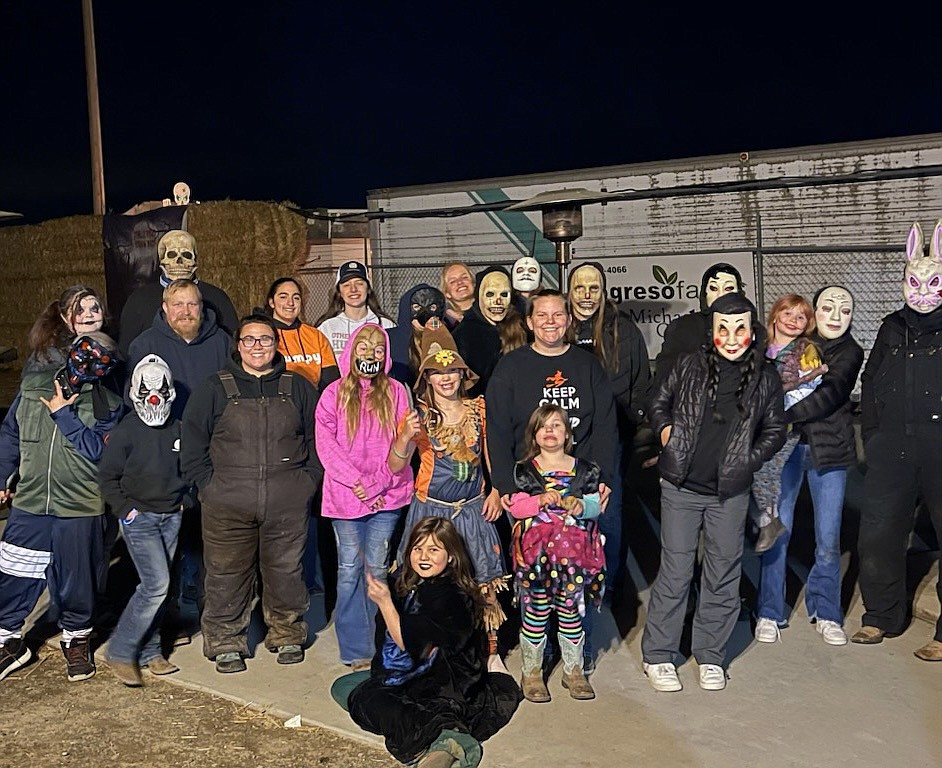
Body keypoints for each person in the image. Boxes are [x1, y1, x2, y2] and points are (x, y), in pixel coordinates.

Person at [641, 293, 785, 692]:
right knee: (676, 571)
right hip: (680, 487)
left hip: (730, 492)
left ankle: (710, 655)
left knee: (723, 572)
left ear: (752, 330)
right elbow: (657, 401)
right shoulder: (689, 365)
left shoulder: (766, 377)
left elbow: (776, 429)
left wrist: (748, 460)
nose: (732, 336)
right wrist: (667, 432)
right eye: (723, 328)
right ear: (713, 330)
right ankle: (659, 655)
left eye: (740, 328)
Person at [181, 313, 323, 673]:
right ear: (238, 346)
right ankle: (226, 641)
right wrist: (208, 486)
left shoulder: (297, 386)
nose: (257, 346)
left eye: (265, 339)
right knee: (226, 573)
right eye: (250, 340)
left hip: (286, 499)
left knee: (286, 571)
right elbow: (194, 443)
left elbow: (317, 440)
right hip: (227, 501)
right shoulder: (214, 387)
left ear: (277, 345)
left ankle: (287, 633)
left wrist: (307, 482)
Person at [334, 517, 521, 768]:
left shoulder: (453, 595)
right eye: (418, 548)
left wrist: (385, 604)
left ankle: (447, 740)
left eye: (434, 550)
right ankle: (438, 736)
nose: (424, 556)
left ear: (451, 556)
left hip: (443, 684)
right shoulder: (405, 581)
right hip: (406, 676)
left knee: (377, 702)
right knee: (345, 687)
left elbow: (409, 644)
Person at [0, 318, 123, 683]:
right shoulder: (32, 386)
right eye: (85, 355)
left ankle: (77, 638)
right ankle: (7, 640)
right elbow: (11, 433)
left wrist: (64, 415)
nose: (89, 365)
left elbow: (103, 456)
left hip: (80, 506)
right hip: (31, 502)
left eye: (99, 360)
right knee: (13, 573)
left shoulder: (109, 402)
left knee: (77, 578)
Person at [389, 322, 508, 658]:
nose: (446, 378)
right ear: (427, 378)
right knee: (428, 584)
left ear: (461, 374)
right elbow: (396, 466)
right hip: (431, 512)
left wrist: (497, 491)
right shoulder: (418, 417)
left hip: (473, 509)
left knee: (485, 583)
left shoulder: (479, 410)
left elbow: (490, 456)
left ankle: (491, 653)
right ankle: (429, 650)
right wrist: (403, 438)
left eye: (452, 371)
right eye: (437, 372)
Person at [754, 287, 863, 648]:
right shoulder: (796, 344)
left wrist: (781, 416)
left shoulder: (850, 352)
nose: (836, 315)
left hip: (829, 452)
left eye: (844, 310)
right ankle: (770, 611)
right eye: (828, 308)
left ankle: (827, 612)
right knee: (776, 531)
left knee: (828, 539)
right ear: (815, 313)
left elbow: (830, 394)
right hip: (783, 452)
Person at [854, 220, 942, 661]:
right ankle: (880, 616)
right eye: (914, 280)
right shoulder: (892, 327)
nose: (922, 290)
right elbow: (871, 383)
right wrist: (874, 435)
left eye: (933, 281)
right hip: (893, 447)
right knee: (879, 533)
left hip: (939, 445)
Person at [315, 322, 414, 669]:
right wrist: (356, 481)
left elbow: (406, 441)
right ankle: (356, 648)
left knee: (376, 569)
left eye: (377, 348)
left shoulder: (398, 391)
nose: (370, 353)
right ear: (351, 349)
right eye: (363, 346)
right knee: (348, 570)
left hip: (388, 496)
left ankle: (380, 639)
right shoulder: (334, 393)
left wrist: (376, 484)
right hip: (345, 499)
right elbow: (326, 445)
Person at [99, 354, 191, 685]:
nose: (154, 398)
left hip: (170, 517)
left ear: (170, 394)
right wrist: (126, 510)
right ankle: (121, 651)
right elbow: (107, 477)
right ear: (136, 393)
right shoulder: (126, 432)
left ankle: (151, 651)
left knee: (159, 588)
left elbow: (190, 471)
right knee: (156, 585)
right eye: (147, 391)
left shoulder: (179, 430)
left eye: (160, 390)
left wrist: (184, 501)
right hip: (140, 518)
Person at [504, 404, 604, 702]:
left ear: (568, 433)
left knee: (571, 612)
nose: (550, 431)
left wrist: (581, 506)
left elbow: (596, 506)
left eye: (557, 425)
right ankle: (532, 672)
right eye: (544, 426)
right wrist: (537, 502)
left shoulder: (585, 470)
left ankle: (574, 670)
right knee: (535, 612)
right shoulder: (525, 471)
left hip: (573, 560)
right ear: (534, 435)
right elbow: (517, 507)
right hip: (536, 560)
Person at [568, 261, 651, 597]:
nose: (587, 295)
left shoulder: (623, 329)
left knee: (608, 511)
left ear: (603, 292)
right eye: (579, 287)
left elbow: (640, 381)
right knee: (568, 508)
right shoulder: (560, 324)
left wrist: (629, 422)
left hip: (610, 436)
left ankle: (610, 582)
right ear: (569, 291)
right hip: (565, 440)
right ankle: (572, 576)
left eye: (594, 288)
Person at [486, 289, 617, 501]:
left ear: (569, 320)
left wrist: (603, 477)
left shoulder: (588, 365)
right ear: (529, 322)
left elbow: (605, 426)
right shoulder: (510, 367)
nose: (550, 322)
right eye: (542, 315)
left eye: (558, 315)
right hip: (528, 487)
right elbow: (498, 431)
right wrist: (505, 485)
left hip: (581, 486)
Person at [749, 294, 827, 553]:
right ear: (775, 315)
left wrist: (781, 407)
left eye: (801, 317)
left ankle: (767, 523)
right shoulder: (756, 346)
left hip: (783, 425)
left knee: (765, 469)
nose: (794, 321)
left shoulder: (806, 351)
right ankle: (763, 520)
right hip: (751, 422)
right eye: (788, 314)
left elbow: (810, 387)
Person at [118, 229, 238, 357]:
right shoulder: (139, 300)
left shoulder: (217, 298)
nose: (179, 261)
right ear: (162, 260)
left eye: (186, 255)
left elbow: (234, 347)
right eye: (172, 255)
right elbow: (126, 352)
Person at [127, 279, 231, 418]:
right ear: (165, 307)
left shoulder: (222, 341)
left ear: (201, 306)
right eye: (178, 304)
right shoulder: (144, 345)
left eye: (192, 304)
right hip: (166, 429)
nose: (186, 311)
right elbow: (132, 398)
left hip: (214, 428)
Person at [654, 263, 763, 386]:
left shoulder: (754, 329)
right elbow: (665, 375)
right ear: (704, 293)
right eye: (714, 288)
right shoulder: (682, 328)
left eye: (728, 288)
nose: (720, 295)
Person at [453, 266, 527, 397]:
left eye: (504, 294)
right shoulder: (464, 335)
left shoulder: (522, 328)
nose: (497, 301)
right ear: (479, 296)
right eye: (490, 294)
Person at [265, 276, 339, 390]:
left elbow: (330, 379)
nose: (290, 303)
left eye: (296, 298)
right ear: (271, 302)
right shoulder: (264, 336)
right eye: (283, 297)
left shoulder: (315, 335)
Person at [315, 261, 395, 356]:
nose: (353, 289)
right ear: (339, 292)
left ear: (368, 289)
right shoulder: (327, 328)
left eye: (359, 283)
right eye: (346, 285)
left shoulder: (386, 325)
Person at [387, 282, 447, 387]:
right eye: (417, 307)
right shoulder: (388, 340)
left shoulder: (448, 339)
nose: (425, 314)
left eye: (432, 307)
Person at [441, 261, 476, 328]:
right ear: (447, 293)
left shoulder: (488, 312)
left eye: (464, 277)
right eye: (453, 281)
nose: (460, 282)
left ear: (473, 283)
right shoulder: (445, 320)